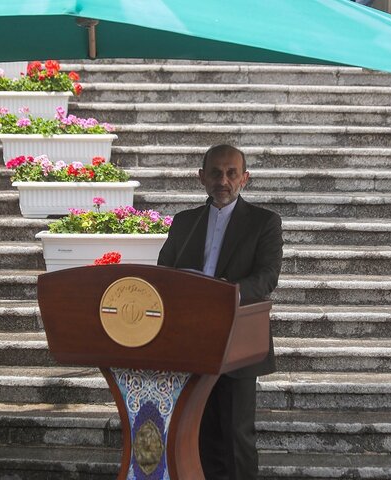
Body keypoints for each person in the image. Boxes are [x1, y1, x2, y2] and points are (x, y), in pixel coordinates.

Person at [157, 144, 283, 479]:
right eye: (215, 173)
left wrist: (225, 293)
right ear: (202, 177)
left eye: (231, 173)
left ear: (244, 178)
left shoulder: (264, 222)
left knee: (236, 436)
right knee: (201, 434)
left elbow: (267, 277)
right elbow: (164, 271)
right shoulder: (184, 223)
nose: (223, 181)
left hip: (238, 340)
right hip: (191, 341)